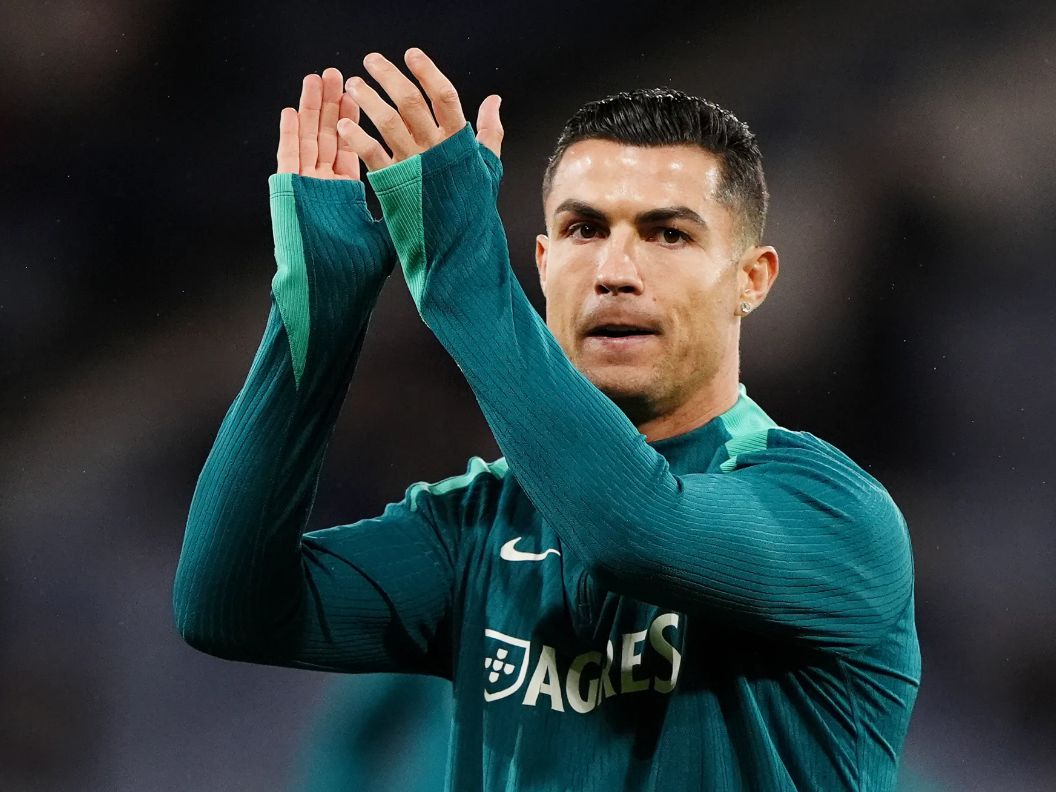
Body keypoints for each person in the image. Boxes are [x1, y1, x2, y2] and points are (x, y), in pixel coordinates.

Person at [173, 47, 920, 791]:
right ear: (540, 260)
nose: (615, 273)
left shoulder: (832, 515)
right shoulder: (479, 526)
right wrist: (319, 313)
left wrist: (460, 268)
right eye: (584, 230)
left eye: (669, 234)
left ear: (751, 280)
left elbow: (635, 533)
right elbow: (227, 608)